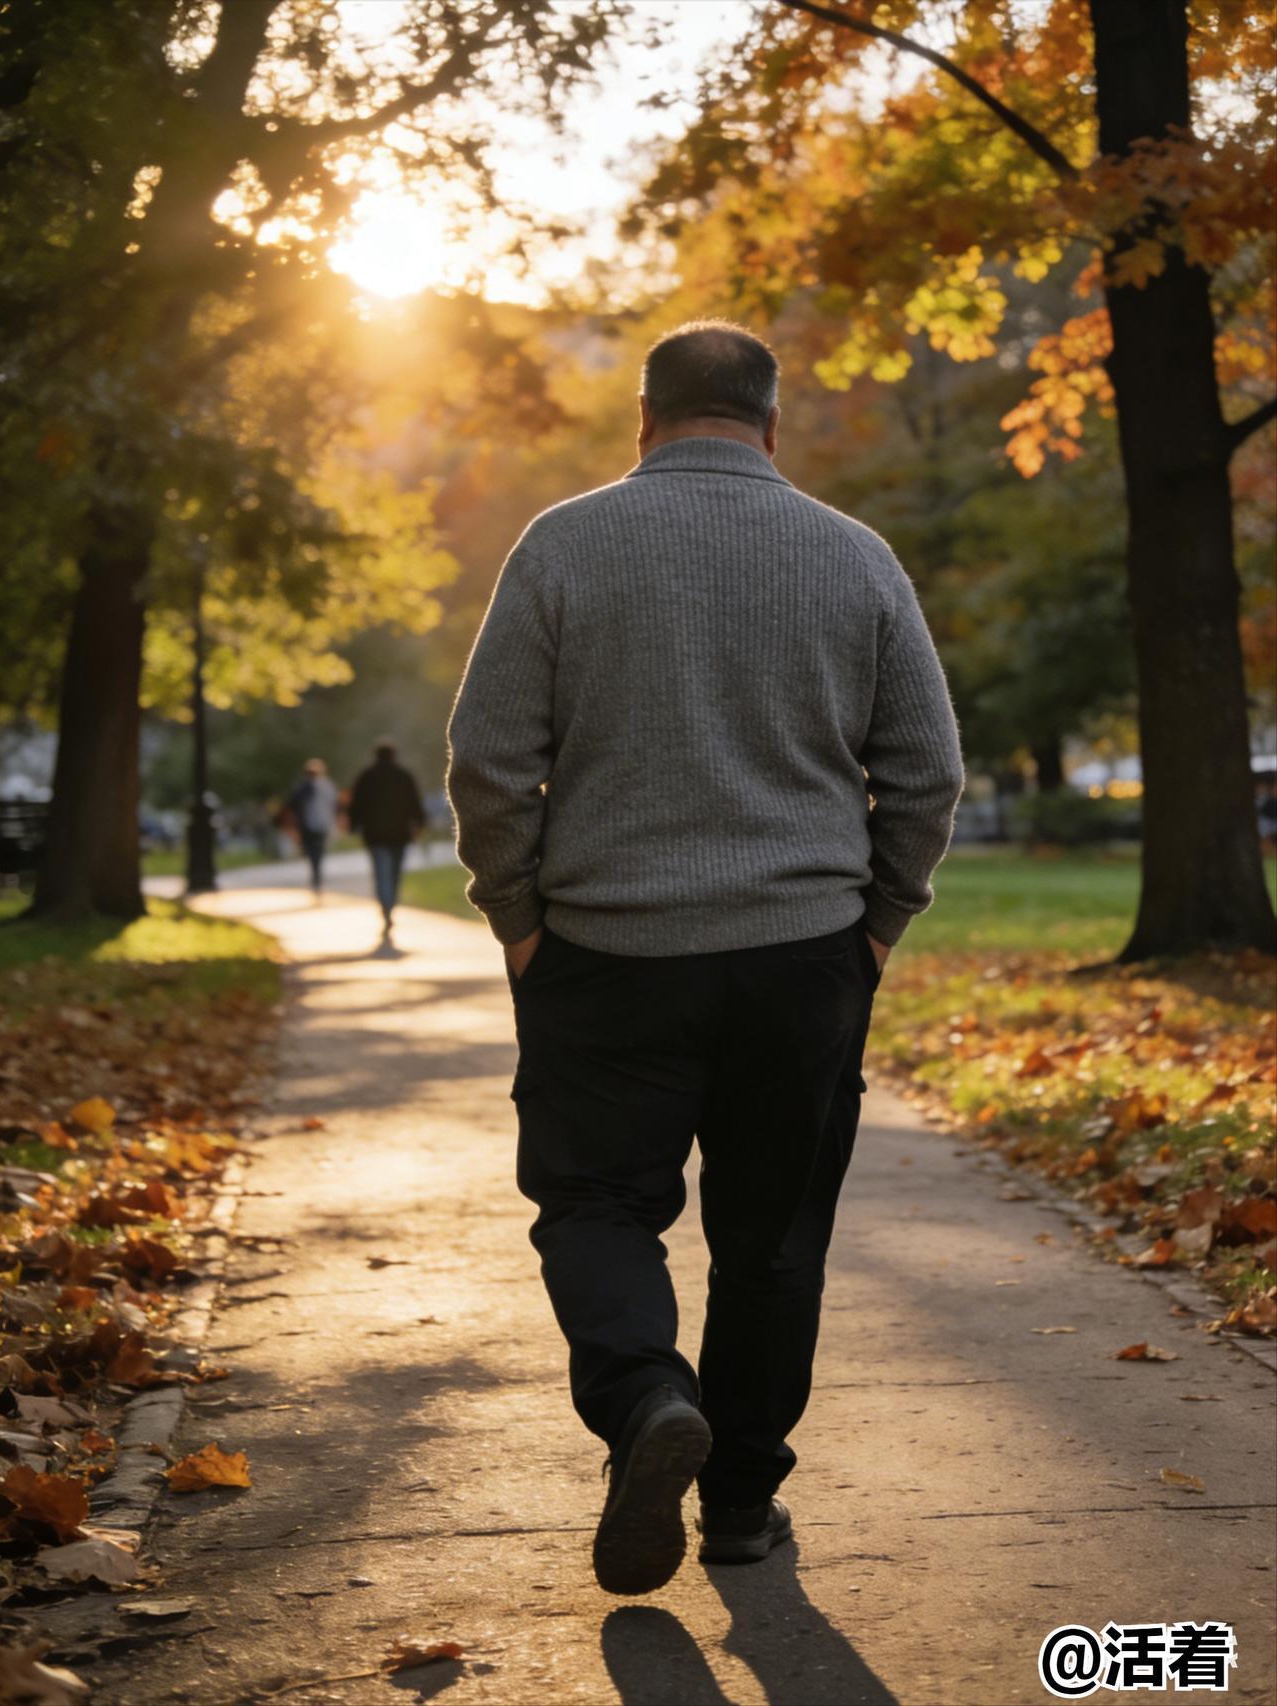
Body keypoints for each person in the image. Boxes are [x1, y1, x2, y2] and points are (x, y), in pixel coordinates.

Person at [446, 320, 964, 1597]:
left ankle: (643, 1400)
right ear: (771, 425)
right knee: (772, 1237)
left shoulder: (561, 543)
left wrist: (516, 916)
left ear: (642, 420)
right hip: (802, 956)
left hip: (605, 951)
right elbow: (925, 771)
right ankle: (736, 1503)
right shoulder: (854, 554)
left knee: (594, 1203)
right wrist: (876, 922)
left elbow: (490, 759)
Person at [348, 738, 428, 937]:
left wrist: (354, 824)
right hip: (400, 834)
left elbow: (356, 804)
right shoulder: (404, 775)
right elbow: (415, 801)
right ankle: (390, 906)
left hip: (375, 835)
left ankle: (386, 908)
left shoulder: (367, 776)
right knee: (394, 874)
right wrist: (420, 822)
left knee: (381, 874)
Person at [286, 759, 339, 895]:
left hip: (319, 824)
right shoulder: (306, 788)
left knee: (316, 852)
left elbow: (334, 805)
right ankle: (316, 876)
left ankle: (316, 877)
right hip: (310, 825)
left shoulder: (325, 787)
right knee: (313, 852)